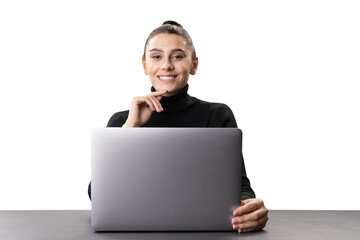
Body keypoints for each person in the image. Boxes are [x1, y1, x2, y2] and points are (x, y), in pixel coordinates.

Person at [88, 20, 268, 233]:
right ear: (145, 65)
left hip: (206, 232)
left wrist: (250, 208)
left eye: (178, 56)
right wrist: (131, 127)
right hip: (137, 232)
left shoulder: (217, 116)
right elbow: (98, 194)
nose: (166, 65)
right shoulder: (122, 121)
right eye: (156, 57)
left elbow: (239, 185)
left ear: (194, 64)